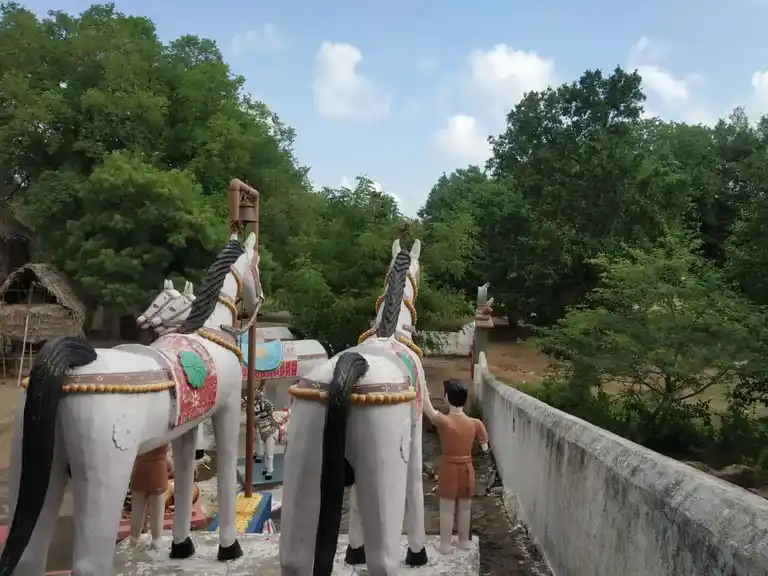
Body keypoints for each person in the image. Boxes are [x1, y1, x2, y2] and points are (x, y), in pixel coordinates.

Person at [423, 378, 489, 554]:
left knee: (446, 507)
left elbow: (428, 410)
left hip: (449, 468)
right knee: (465, 506)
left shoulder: (445, 421)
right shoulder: (476, 423)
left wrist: (422, 388)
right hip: (467, 468)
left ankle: (445, 545)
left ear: (446, 398)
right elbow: (485, 447)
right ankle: (464, 541)